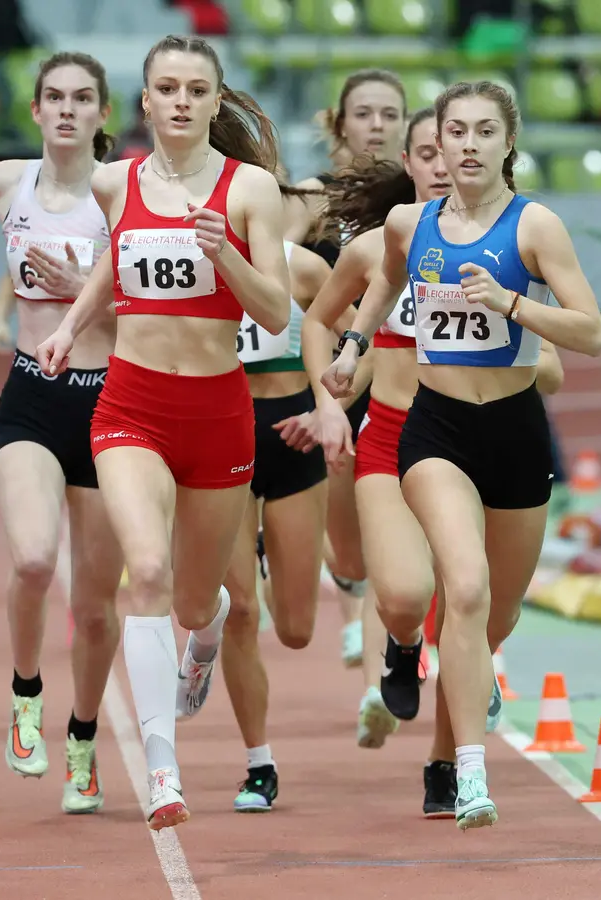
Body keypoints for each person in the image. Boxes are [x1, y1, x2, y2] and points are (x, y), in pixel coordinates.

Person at [323, 80, 601, 829]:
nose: (470, 145)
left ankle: (453, 739)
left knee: (495, 616)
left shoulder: (534, 227)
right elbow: (383, 284)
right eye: (458, 132)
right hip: (435, 430)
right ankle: (470, 777)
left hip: (514, 434)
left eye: (485, 131)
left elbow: (591, 332)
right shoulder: (407, 223)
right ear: (437, 144)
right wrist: (353, 348)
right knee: (467, 587)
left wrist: (512, 303)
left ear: (507, 143)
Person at [34, 34, 294, 832]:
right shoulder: (115, 183)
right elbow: (117, 263)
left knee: (190, 600)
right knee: (141, 570)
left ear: (217, 102)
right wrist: (71, 325)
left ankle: (207, 630)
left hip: (217, 413)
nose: (180, 101)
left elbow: (277, 315)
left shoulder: (250, 190)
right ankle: (164, 772)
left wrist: (228, 259)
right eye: (166, 89)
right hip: (131, 407)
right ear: (145, 103)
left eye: (196, 89)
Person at [0, 51, 123, 815]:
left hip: (112, 406)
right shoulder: (5, 182)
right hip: (33, 399)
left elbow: (162, 314)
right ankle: (25, 697)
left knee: (98, 604)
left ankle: (82, 741)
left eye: (82, 99)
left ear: (103, 114)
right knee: (36, 559)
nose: (67, 110)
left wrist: (87, 296)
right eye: (54, 98)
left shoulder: (124, 195)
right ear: (36, 110)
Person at [284, 69, 411, 668]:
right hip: (332, 381)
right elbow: (275, 279)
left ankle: (383, 632)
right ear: (339, 124)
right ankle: (355, 593)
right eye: (364, 113)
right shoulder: (311, 198)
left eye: (389, 114)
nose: (377, 125)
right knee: (349, 545)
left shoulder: (425, 202)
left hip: (403, 379)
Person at [215, 239, 333, 813]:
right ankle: (258, 763)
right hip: (222, 437)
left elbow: (363, 344)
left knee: (296, 629)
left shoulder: (305, 268)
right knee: (240, 612)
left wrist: (325, 408)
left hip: (293, 438)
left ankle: (264, 551)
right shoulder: (192, 257)